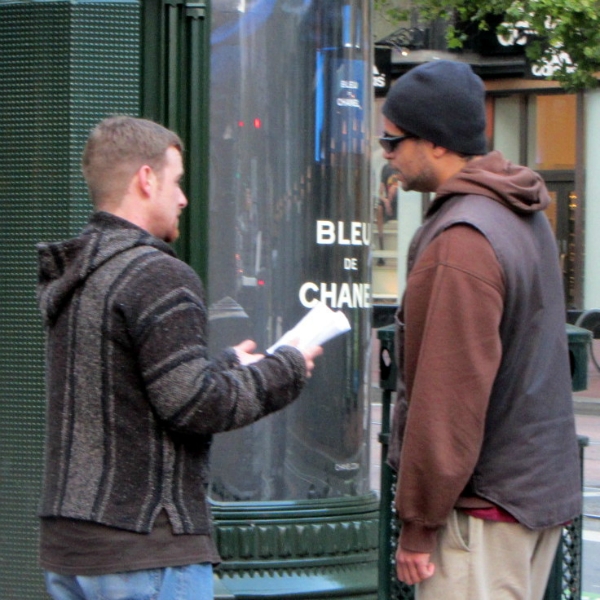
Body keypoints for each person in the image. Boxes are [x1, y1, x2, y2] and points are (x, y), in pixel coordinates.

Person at [36, 115, 322, 600]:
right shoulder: (160, 275)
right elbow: (194, 406)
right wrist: (286, 366)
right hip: (146, 545)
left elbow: (132, 390)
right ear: (146, 180)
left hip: (72, 547)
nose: (183, 198)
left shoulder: (78, 274)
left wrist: (227, 365)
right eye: (177, 182)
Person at [382, 61, 581, 600]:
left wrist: (419, 523)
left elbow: (448, 397)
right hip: (530, 498)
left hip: (483, 514)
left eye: (393, 139)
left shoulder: (462, 237)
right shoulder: (519, 213)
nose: (387, 153)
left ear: (437, 143)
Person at [375, 162, 400, 266]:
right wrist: (385, 200)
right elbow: (380, 191)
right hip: (388, 202)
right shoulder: (385, 168)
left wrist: (395, 190)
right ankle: (381, 246)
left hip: (400, 201)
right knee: (379, 208)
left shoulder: (401, 166)